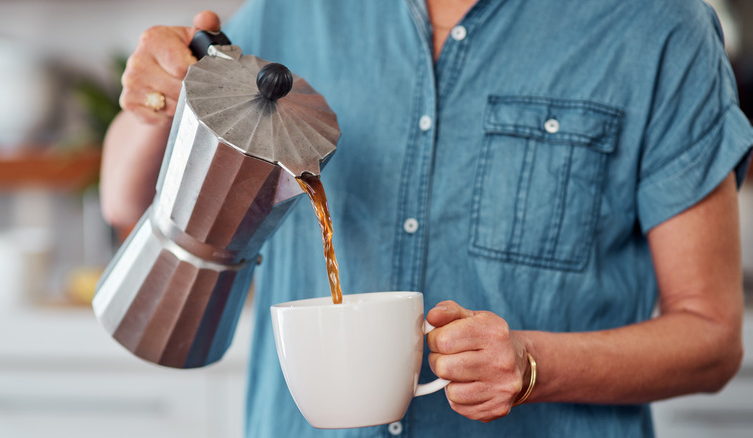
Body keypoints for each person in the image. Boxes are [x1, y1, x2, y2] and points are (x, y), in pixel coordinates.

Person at [100, 1, 753, 436]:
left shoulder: (656, 28)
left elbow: (711, 336)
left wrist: (532, 364)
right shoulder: (286, 12)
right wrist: (150, 104)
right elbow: (126, 204)